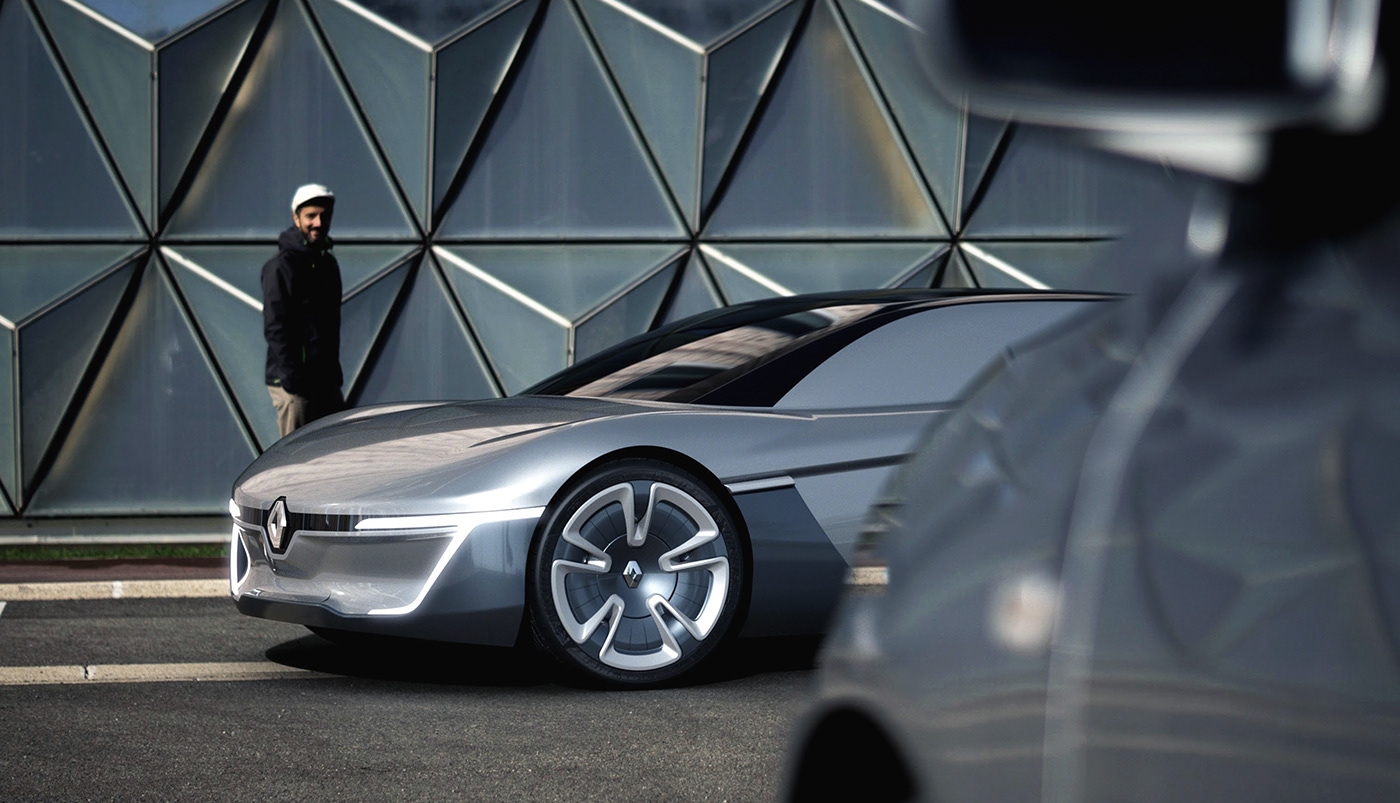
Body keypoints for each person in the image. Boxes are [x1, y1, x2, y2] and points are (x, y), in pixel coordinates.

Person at [263, 183, 344, 438]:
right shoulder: (280, 267)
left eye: (324, 216)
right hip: (295, 388)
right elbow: (276, 328)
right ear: (296, 218)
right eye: (311, 216)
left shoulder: (328, 265)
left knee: (337, 452)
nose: (318, 223)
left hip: (325, 385)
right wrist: (293, 382)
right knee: (297, 457)